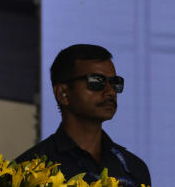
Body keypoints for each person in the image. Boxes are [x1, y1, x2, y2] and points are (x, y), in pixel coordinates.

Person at [17, 44, 151, 186]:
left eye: (115, 83)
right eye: (97, 81)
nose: (110, 92)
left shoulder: (134, 169)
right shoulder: (28, 169)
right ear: (62, 94)